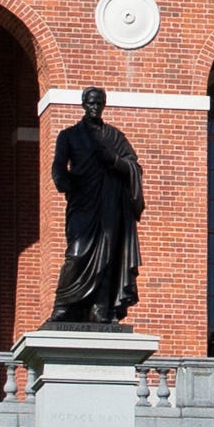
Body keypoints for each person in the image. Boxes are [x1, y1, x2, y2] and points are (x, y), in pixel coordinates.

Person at [50, 86, 145, 329]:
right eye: (91, 102)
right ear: (84, 104)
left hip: (110, 204)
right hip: (83, 201)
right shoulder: (69, 135)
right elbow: (58, 168)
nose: (95, 107)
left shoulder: (114, 136)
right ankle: (63, 305)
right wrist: (67, 184)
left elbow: (134, 167)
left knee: (109, 257)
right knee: (77, 252)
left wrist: (112, 160)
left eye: (99, 103)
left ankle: (99, 308)